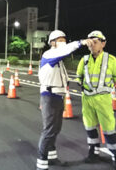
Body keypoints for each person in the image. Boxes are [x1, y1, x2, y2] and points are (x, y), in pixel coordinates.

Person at [36, 30, 93, 170]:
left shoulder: (58, 59)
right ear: (52, 42)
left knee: (55, 129)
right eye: (60, 40)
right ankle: (41, 164)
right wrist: (81, 42)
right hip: (50, 96)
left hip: (57, 96)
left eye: (64, 40)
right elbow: (67, 49)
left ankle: (52, 157)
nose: (64, 42)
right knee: (49, 130)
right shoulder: (50, 54)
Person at [75, 31, 116, 170]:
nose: (92, 45)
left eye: (95, 41)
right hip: (87, 99)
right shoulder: (84, 60)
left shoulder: (112, 60)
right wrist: (81, 84)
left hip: (103, 99)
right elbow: (78, 76)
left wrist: (103, 89)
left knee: (108, 128)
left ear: (103, 43)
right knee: (89, 127)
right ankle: (93, 152)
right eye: (89, 42)